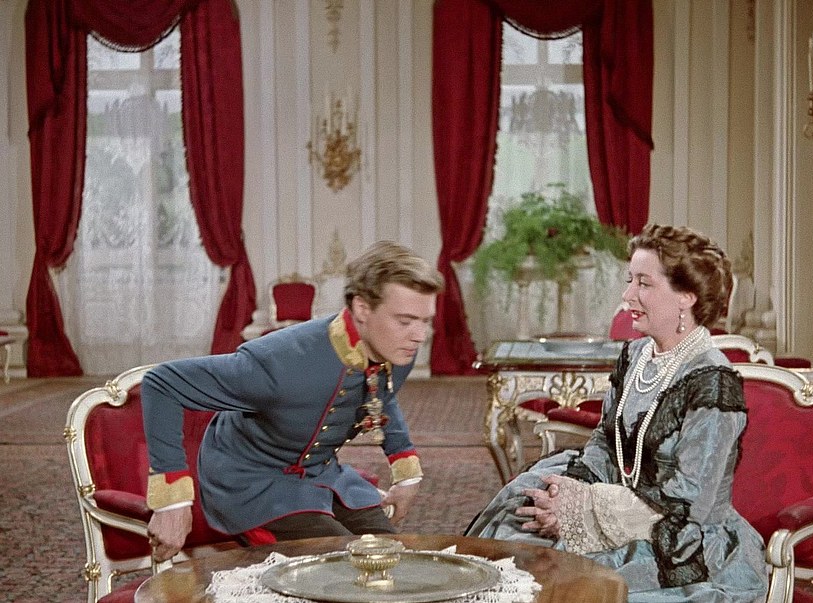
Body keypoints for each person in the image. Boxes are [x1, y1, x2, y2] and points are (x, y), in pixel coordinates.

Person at [466, 224, 768, 602]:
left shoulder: (713, 383)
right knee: (516, 531)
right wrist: (566, 491)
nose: (627, 296)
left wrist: (582, 507)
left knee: (574, 586)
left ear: (685, 297)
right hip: (617, 504)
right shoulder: (636, 355)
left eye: (644, 283)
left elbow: (690, 503)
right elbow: (605, 442)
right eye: (630, 281)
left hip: (679, 540)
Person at [142, 240, 444, 562]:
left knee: (393, 556)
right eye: (405, 321)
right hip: (250, 484)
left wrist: (406, 470)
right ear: (362, 309)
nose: (419, 336)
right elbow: (162, 383)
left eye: (425, 321)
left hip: (320, 474)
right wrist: (172, 502)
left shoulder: (396, 348)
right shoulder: (280, 363)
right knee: (344, 566)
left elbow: (379, 393)